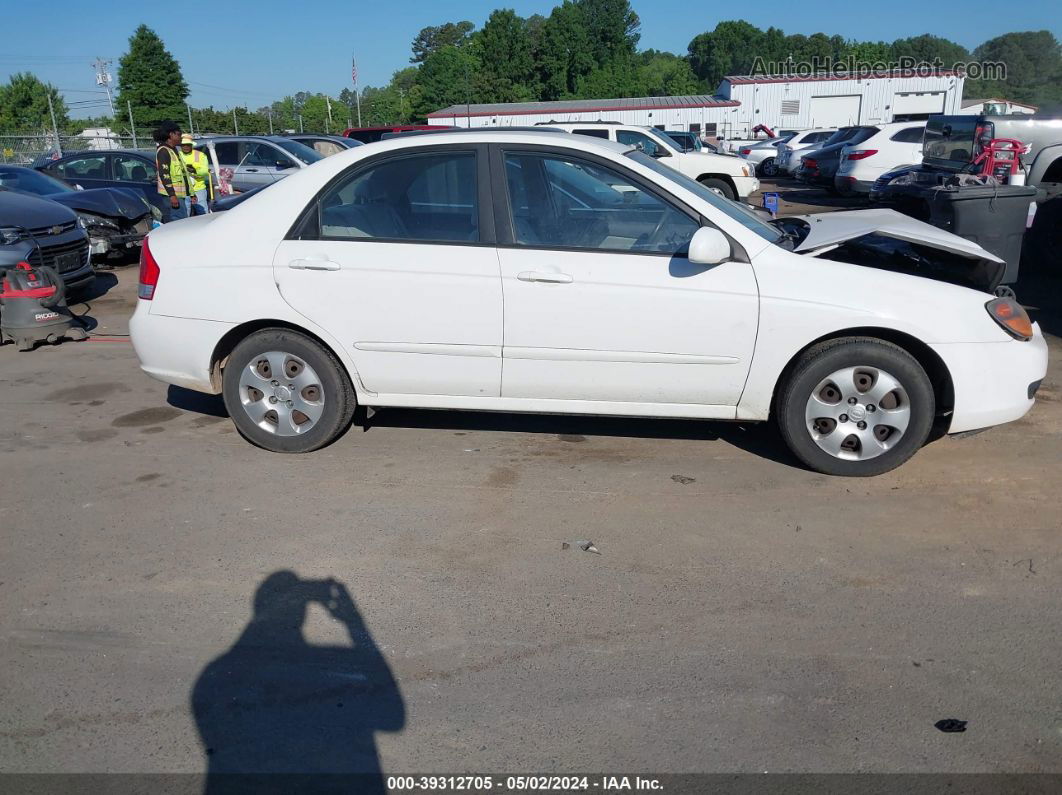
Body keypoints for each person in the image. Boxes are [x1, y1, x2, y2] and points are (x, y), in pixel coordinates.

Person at [153, 121, 195, 222]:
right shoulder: (164, 151)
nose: (181, 137)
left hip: (180, 195)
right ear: (171, 134)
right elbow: (164, 175)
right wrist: (172, 195)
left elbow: (182, 174)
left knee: (182, 220)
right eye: (179, 134)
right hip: (172, 196)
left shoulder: (174, 150)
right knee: (179, 222)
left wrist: (191, 193)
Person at [179, 133, 213, 214]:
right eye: (183, 145)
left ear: (191, 145)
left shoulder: (200, 155)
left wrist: (194, 171)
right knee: (184, 214)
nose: (186, 146)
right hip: (183, 189)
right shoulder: (178, 155)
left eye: (188, 144)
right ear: (180, 145)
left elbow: (205, 171)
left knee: (202, 213)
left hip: (198, 189)